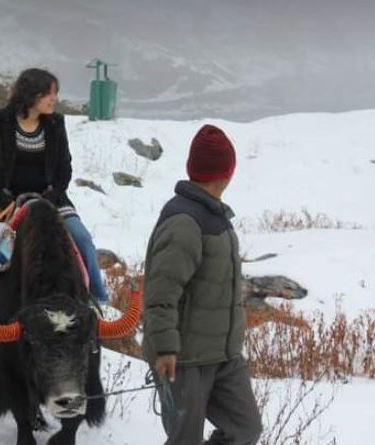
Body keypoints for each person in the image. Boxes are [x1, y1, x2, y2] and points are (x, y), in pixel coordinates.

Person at [0, 68, 110, 325]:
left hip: (50, 201)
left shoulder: (56, 123)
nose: (54, 99)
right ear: (32, 94)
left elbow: (64, 167)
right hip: (3, 203)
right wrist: (3, 198)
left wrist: (52, 195)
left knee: (83, 240)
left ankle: (96, 301)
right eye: (50, 93)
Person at [141, 125, 262, 445]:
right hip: (184, 358)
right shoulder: (185, 221)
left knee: (246, 428)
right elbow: (160, 293)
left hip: (223, 356)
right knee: (185, 440)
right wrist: (166, 348)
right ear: (227, 171)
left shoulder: (213, 215)